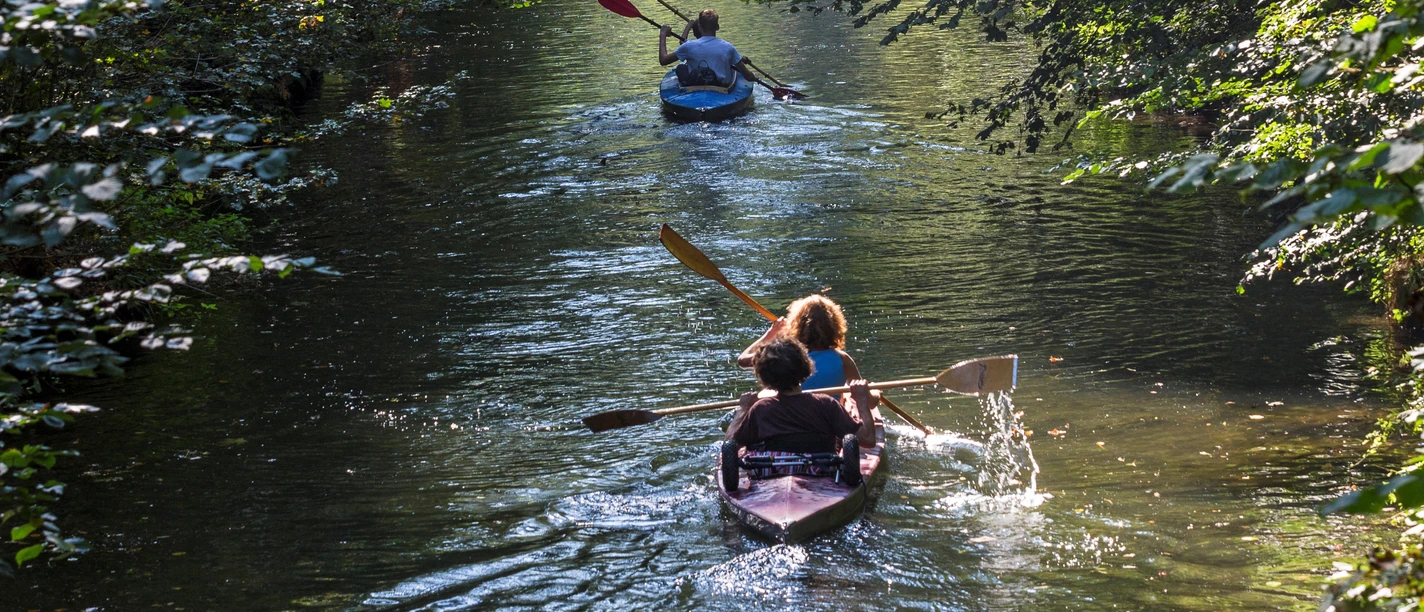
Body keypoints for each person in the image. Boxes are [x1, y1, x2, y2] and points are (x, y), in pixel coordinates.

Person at [727, 339, 877, 452]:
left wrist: (743, 409)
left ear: (764, 377)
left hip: (773, 474)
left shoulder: (760, 409)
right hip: (821, 473)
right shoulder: (826, 404)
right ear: (805, 367)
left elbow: (730, 445)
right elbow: (868, 440)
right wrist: (862, 401)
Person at [737, 295, 861, 391]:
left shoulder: (783, 356)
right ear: (835, 327)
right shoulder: (843, 359)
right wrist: (875, 394)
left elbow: (743, 360)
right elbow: (869, 403)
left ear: (796, 325)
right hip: (827, 419)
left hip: (792, 418)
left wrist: (771, 333)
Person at [658, 9, 760, 88]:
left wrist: (662, 34)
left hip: (694, 86)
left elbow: (663, 60)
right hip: (722, 88)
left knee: (681, 68)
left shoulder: (688, 46)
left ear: (699, 27)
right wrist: (754, 77)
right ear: (717, 27)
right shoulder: (729, 47)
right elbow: (747, 76)